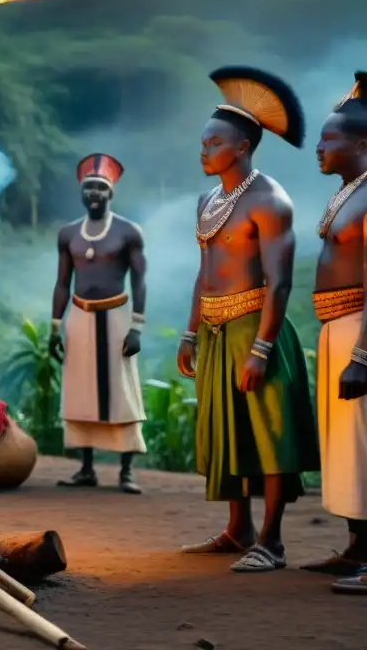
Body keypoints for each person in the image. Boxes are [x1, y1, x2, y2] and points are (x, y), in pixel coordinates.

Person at [176, 66, 320, 573]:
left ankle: (271, 541)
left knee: (268, 430)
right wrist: (190, 332)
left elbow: (280, 282)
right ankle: (238, 530)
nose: (204, 151)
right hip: (214, 329)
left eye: (213, 143)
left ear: (240, 148)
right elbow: (203, 274)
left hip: (256, 327)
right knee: (228, 430)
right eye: (202, 142)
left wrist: (262, 347)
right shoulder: (208, 200)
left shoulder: (270, 201)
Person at [49, 153, 147, 494]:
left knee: (121, 389)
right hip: (79, 316)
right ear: (81, 192)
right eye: (88, 187)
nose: (94, 193)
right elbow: (62, 282)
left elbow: (140, 281)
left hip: (117, 317)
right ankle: (86, 468)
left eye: (100, 188)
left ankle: (126, 471)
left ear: (111, 194)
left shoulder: (128, 232)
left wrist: (136, 326)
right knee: (80, 389)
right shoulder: (68, 234)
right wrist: (55, 327)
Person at [302, 72, 367, 579]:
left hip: (360, 330)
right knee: (346, 444)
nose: (319, 147)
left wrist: (363, 355)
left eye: (329, 138)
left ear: (362, 143)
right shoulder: (349, 193)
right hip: (336, 326)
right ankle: (358, 547)